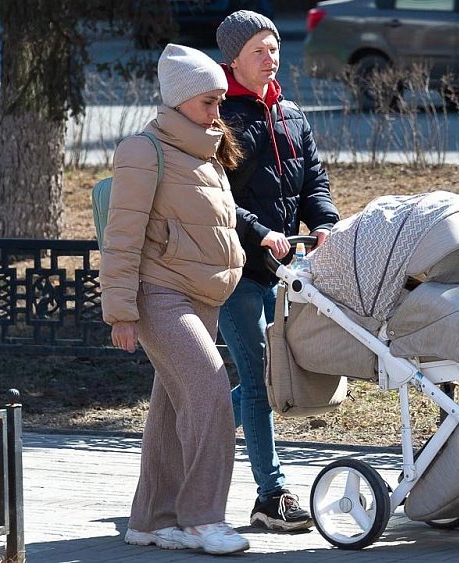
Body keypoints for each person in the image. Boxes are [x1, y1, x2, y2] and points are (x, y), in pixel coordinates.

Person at [100, 43, 250, 555]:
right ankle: (202, 519)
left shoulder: (205, 151)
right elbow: (122, 237)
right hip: (159, 297)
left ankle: (150, 520)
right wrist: (121, 312)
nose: (217, 112)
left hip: (201, 298)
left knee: (169, 408)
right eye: (208, 102)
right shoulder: (145, 151)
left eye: (219, 101)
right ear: (180, 100)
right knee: (210, 391)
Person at [214, 10, 340, 531]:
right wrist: (257, 231)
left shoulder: (290, 112)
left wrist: (325, 220)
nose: (271, 61)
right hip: (239, 268)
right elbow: (214, 196)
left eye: (275, 51)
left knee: (276, 376)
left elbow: (314, 178)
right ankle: (272, 494)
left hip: (290, 268)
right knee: (263, 375)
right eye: (259, 53)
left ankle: (193, 425)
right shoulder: (217, 116)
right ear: (233, 60)